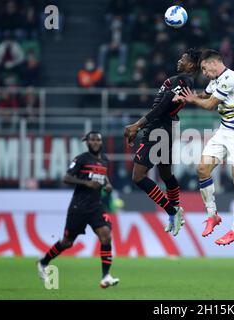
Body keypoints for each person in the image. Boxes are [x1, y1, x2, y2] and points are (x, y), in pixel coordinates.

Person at [178, 49, 234, 246]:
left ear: (214, 63)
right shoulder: (216, 80)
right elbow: (205, 93)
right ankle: (213, 215)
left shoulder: (230, 79)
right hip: (225, 130)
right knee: (202, 169)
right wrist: (186, 95)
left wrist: (193, 99)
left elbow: (210, 104)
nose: (203, 73)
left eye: (204, 68)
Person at [124, 49, 201, 237]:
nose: (179, 60)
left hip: (158, 129)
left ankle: (172, 211)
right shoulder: (183, 81)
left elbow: (163, 106)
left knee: (138, 177)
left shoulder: (182, 80)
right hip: (166, 128)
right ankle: (175, 210)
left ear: (190, 65)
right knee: (166, 173)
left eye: (183, 58)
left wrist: (137, 125)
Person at [37, 131, 119, 289]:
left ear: (101, 143)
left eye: (98, 140)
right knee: (67, 243)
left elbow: (103, 176)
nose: (95, 142)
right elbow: (66, 178)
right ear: (87, 142)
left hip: (96, 206)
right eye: (92, 140)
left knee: (106, 235)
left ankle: (105, 276)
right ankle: (43, 262)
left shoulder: (105, 160)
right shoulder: (81, 159)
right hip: (78, 207)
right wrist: (86, 183)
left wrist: (108, 185)